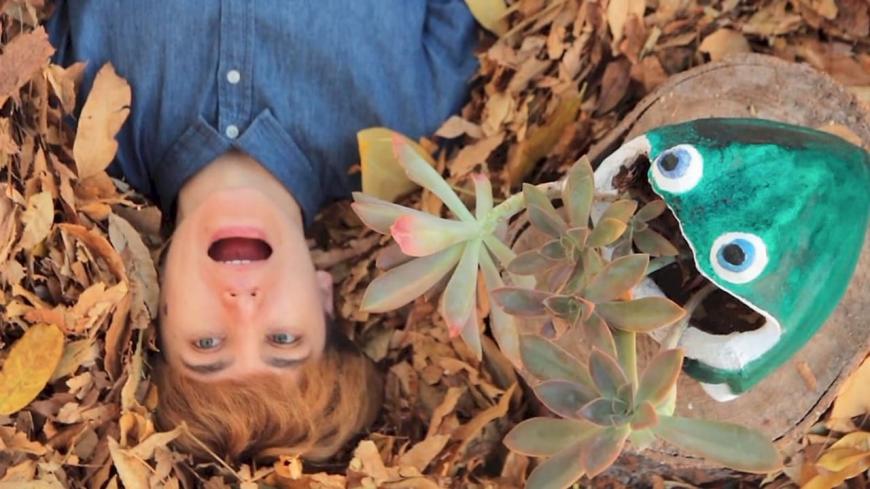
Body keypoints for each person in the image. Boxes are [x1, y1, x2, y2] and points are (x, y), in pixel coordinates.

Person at [46, 1, 479, 463]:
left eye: (207, 344)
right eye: (283, 340)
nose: (244, 306)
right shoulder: (409, 126)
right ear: (324, 298)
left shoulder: (80, 120)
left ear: (157, 312)